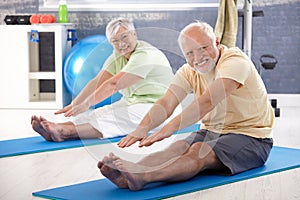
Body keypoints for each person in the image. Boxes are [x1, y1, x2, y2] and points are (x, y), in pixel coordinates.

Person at [98, 21, 275, 191]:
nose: (197, 58)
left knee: (199, 150)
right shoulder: (188, 71)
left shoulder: (235, 62)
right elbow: (167, 102)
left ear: (217, 42)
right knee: (177, 147)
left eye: (203, 48)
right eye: (189, 53)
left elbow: (207, 101)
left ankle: (143, 177)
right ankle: (130, 172)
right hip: (212, 132)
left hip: (252, 138)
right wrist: (142, 128)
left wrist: (170, 127)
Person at [31, 17, 174, 142]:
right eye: (115, 41)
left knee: (119, 118)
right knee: (100, 113)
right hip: (134, 101)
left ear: (134, 34)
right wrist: (77, 102)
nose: (121, 44)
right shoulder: (118, 55)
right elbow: (97, 81)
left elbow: (113, 84)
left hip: (162, 107)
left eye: (124, 37)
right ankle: (57, 129)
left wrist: (86, 104)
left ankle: (65, 133)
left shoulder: (145, 55)